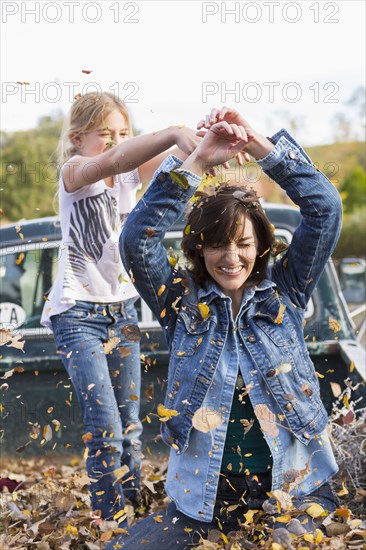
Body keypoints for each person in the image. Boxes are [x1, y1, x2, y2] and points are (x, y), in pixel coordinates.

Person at [106, 107, 342, 548]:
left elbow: (324, 208)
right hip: (204, 497)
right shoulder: (180, 303)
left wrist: (254, 143)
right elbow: (137, 238)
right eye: (216, 245)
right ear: (199, 250)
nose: (230, 257)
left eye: (243, 243)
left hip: (293, 491)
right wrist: (197, 161)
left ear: (262, 246)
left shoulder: (285, 291)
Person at [41, 92, 200, 523]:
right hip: (77, 314)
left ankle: (137, 512)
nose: (115, 142)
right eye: (105, 134)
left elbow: (174, 171)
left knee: (131, 426)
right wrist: (168, 131)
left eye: (123, 133)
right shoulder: (75, 171)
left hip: (122, 313)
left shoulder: (130, 178)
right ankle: (110, 521)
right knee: (107, 429)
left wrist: (203, 140)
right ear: (78, 138)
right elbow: (114, 162)